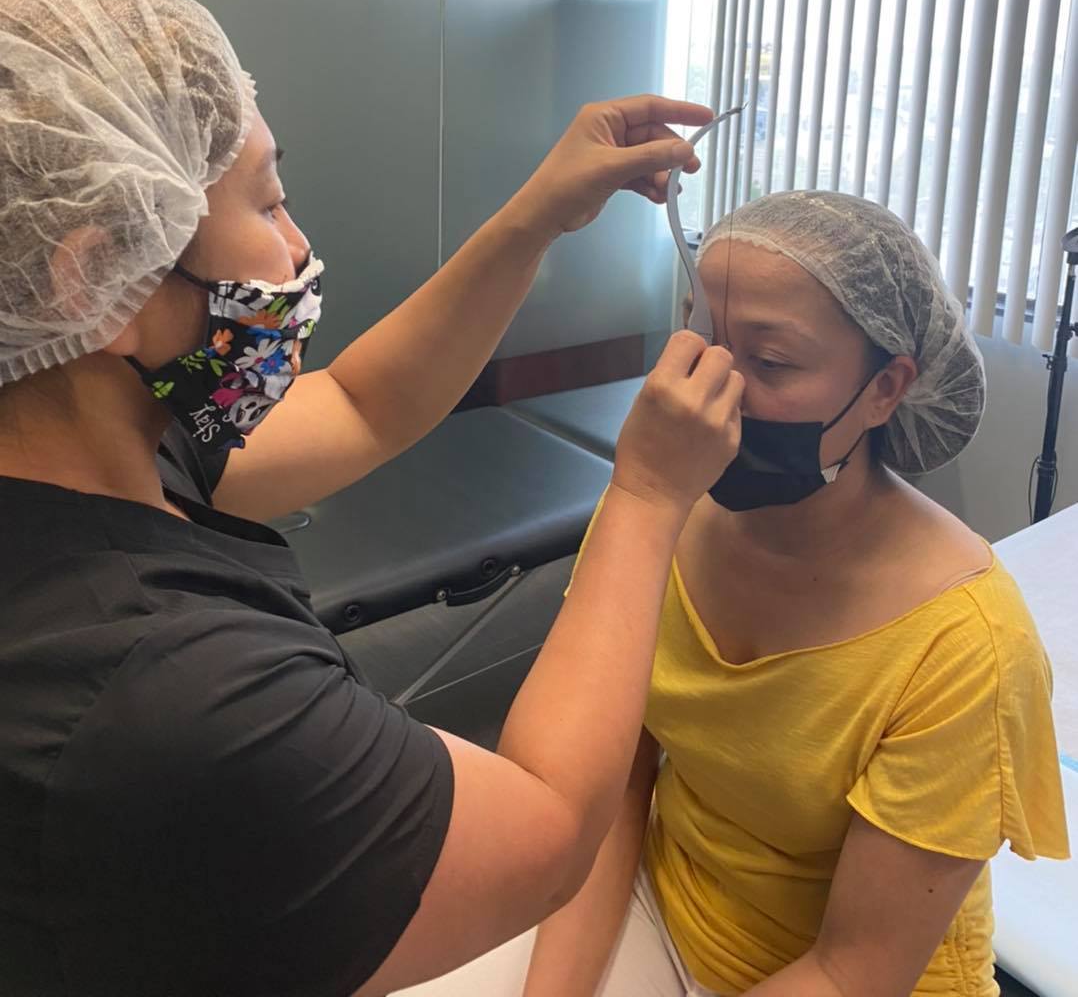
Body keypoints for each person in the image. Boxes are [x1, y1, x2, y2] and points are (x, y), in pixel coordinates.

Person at [0, 0, 747, 997]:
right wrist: (649, 494)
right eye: (269, 204)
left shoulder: (80, 444)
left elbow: (361, 403)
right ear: (96, 278)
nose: (300, 251)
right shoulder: (167, 700)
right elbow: (553, 827)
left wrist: (536, 216)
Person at [407, 191, 1070, 997]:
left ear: (886, 389)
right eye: (703, 338)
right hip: (666, 901)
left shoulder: (966, 649)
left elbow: (855, 968)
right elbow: (615, 785)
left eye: (772, 362)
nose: (710, 388)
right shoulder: (660, 514)